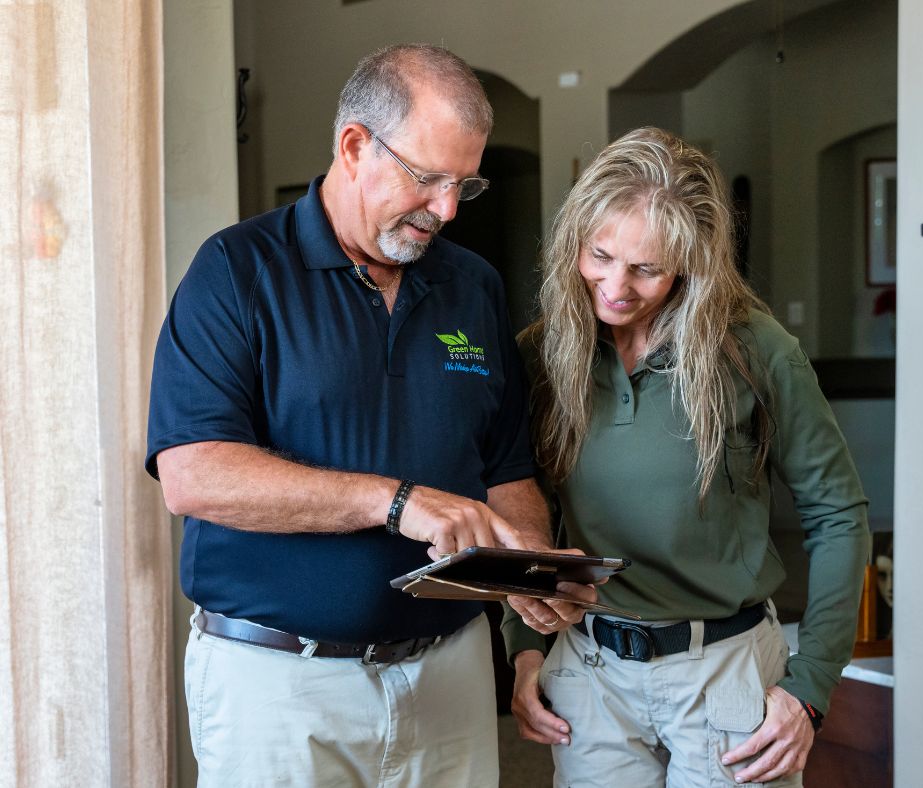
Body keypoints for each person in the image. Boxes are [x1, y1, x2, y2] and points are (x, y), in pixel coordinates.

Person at [146, 44, 592, 787]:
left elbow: (507, 467)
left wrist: (529, 570)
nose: (447, 210)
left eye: (464, 185)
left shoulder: (472, 286)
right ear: (354, 146)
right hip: (281, 688)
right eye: (428, 178)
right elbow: (193, 477)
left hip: (449, 678)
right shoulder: (235, 272)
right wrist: (395, 503)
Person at [503, 127, 869, 787]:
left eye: (646, 268)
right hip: (591, 671)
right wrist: (527, 650)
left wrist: (810, 686)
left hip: (723, 671)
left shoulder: (757, 350)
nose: (614, 286)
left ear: (690, 264)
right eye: (600, 255)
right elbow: (526, 505)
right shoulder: (543, 353)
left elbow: (840, 515)